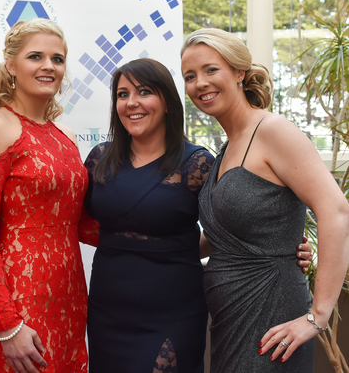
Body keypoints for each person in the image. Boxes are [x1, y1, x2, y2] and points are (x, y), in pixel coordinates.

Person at [83, 57, 314, 373]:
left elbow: (232, 227)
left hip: (173, 308)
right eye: (123, 95)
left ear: (167, 101)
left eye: (144, 92)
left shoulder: (198, 164)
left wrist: (286, 245)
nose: (132, 103)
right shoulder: (99, 159)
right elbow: (77, 225)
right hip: (107, 307)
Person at [181, 27, 349, 372]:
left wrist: (317, 316)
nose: (200, 83)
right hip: (229, 321)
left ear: (239, 72)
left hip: (271, 317)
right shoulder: (228, 147)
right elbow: (224, 237)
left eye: (211, 69)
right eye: (190, 76)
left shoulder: (273, 131)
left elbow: (336, 211)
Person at [0, 19, 96, 373]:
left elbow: (79, 223)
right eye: (36, 56)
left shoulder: (63, 134)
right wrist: (7, 324)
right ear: (11, 65)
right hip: (21, 304)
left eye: (58, 59)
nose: (49, 66)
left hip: (71, 298)